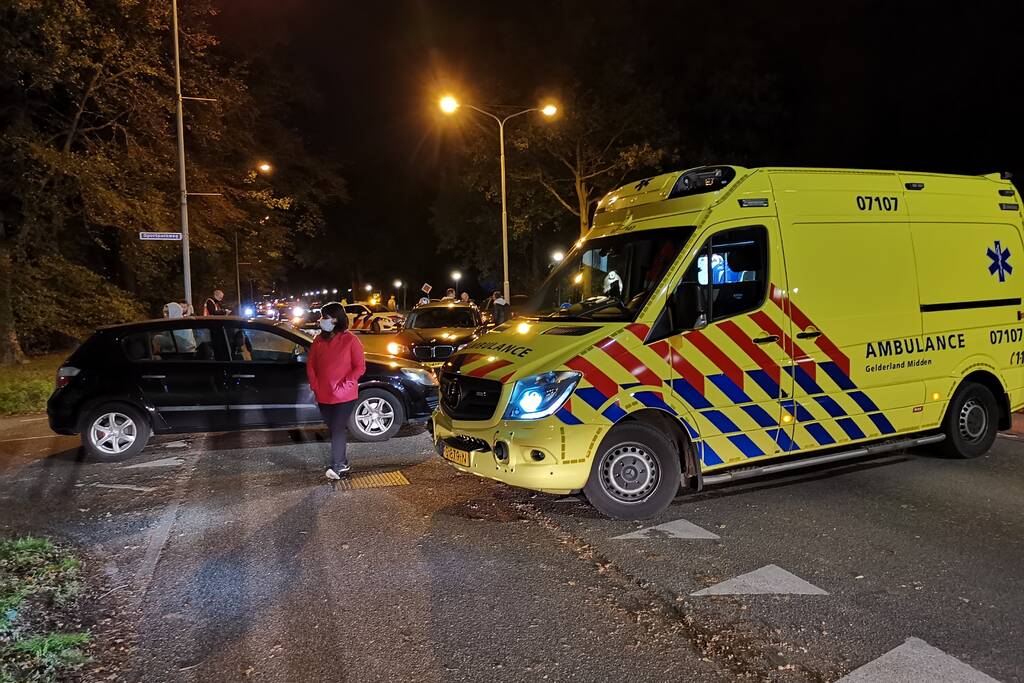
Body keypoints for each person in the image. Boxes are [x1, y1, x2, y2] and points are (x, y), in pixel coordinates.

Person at [306, 302, 366, 480]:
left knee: (338, 429)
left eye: (325, 317)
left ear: (336, 318)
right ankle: (344, 463)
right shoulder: (318, 340)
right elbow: (311, 365)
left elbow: (359, 367)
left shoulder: (351, 340)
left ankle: (338, 466)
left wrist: (345, 385)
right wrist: (315, 385)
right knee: (333, 428)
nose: (321, 320)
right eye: (322, 316)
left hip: (345, 395)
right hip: (323, 394)